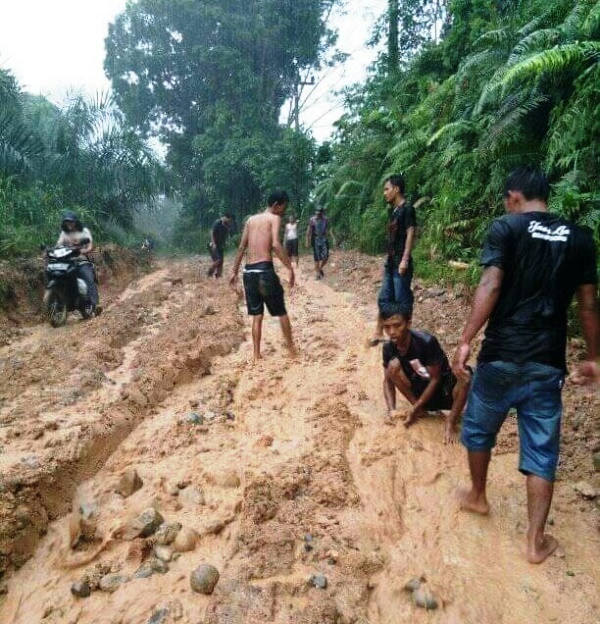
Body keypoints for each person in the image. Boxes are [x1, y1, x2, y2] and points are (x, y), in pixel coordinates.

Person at [452, 166, 598, 564]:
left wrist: (466, 339)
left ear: (513, 197)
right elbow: (587, 305)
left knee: (479, 430)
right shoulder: (581, 239)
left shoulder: (507, 227)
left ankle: (479, 496)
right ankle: (534, 541)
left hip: (500, 355)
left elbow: (491, 284)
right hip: (546, 364)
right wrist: (594, 357)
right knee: (541, 451)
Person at [381, 302, 470, 443]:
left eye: (397, 325)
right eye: (387, 327)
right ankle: (421, 410)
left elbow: (435, 379)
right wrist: (392, 411)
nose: (392, 332)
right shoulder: (388, 348)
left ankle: (450, 422)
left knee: (466, 375)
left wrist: (414, 408)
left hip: (445, 392)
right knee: (392, 368)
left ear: (408, 323)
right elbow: (387, 381)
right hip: (420, 394)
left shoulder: (426, 342)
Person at [229, 191, 296, 361]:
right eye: (283, 207)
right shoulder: (274, 218)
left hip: (249, 272)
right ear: (276, 205)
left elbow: (241, 247)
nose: (283, 211)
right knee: (280, 311)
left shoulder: (250, 220)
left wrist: (234, 271)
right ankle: (291, 350)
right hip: (264, 271)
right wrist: (290, 268)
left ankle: (256, 355)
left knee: (256, 316)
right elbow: (275, 244)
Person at [370, 174, 416, 346]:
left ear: (396, 189)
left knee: (401, 302)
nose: (385, 193)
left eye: (386, 189)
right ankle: (378, 331)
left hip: (400, 263)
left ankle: (405, 339)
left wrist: (404, 259)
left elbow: (411, 233)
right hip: (391, 262)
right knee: (384, 298)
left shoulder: (408, 209)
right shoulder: (393, 211)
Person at [56, 211, 99, 315]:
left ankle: (95, 304)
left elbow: (89, 246)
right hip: (67, 262)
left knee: (89, 279)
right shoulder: (64, 233)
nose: (69, 224)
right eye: (67, 222)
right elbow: (58, 245)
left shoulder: (84, 231)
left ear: (75, 222)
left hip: (81, 261)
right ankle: (60, 303)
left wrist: (81, 251)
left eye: (71, 222)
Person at [207, 212, 234, 278]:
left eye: (231, 221)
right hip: (213, 245)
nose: (230, 222)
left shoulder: (226, 225)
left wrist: (225, 242)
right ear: (226, 217)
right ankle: (209, 273)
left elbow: (225, 234)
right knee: (218, 260)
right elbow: (212, 233)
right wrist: (214, 244)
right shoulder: (217, 222)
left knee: (221, 262)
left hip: (220, 246)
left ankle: (218, 276)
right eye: (229, 220)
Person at [305, 207, 330, 279]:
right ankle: (317, 274)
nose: (318, 214)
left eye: (319, 212)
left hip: (324, 239)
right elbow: (308, 231)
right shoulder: (312, 220)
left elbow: (328, 229)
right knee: (317, 258)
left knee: (326, 256)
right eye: (317, 212)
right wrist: (307, 241)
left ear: (322, 213)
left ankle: (320, 268)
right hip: (315, 239)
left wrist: (333, 237)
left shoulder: (325, 219)